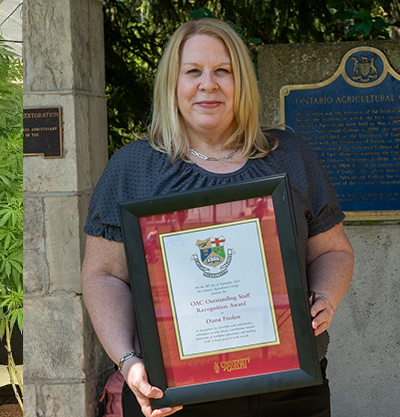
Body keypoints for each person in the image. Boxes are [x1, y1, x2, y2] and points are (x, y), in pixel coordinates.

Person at [81, 18, 354, 417]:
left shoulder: (291, 156)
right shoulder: (133, 168)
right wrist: (128, 360)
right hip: (173, 394)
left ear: (241, 81)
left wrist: (326, 296)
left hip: (289, 390)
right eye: (193, 71)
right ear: (172, 83)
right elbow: (102, 275)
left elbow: (334, 250)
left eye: (222, 71)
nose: (208, 83)